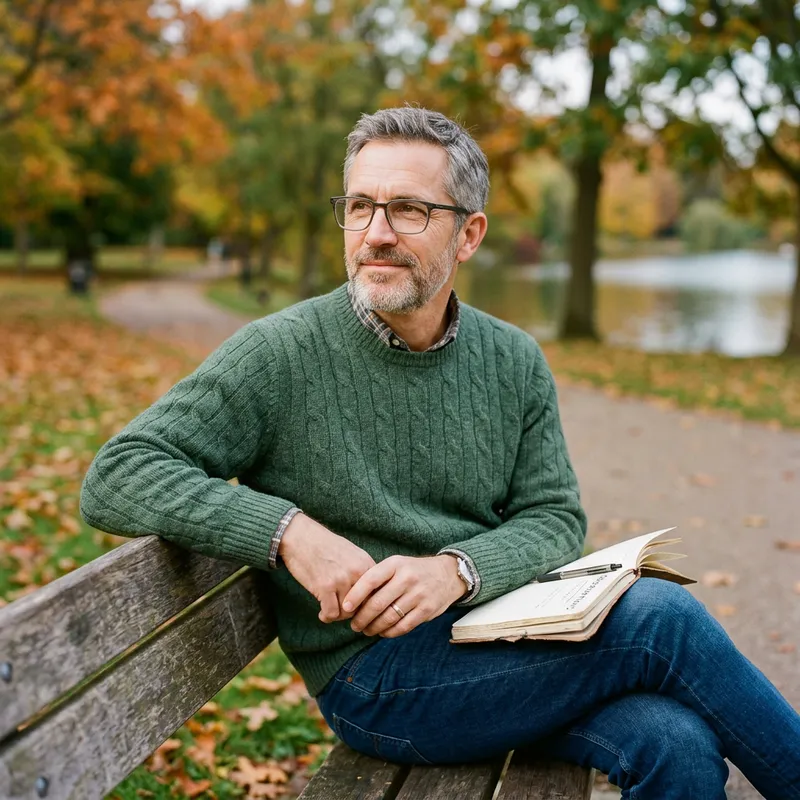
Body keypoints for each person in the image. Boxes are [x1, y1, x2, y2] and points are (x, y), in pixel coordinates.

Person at [80, 107, 800, 799]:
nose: (377, 232)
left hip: (506, 640)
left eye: (409, 210)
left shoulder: (512, 359)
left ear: (469, 234)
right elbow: (118, 473)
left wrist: (456, 571)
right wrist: (287, 532)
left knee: (674, 742)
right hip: (378, 680)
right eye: (359, 207)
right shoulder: (279, 353)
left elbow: (553, 519)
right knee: (661, 619)